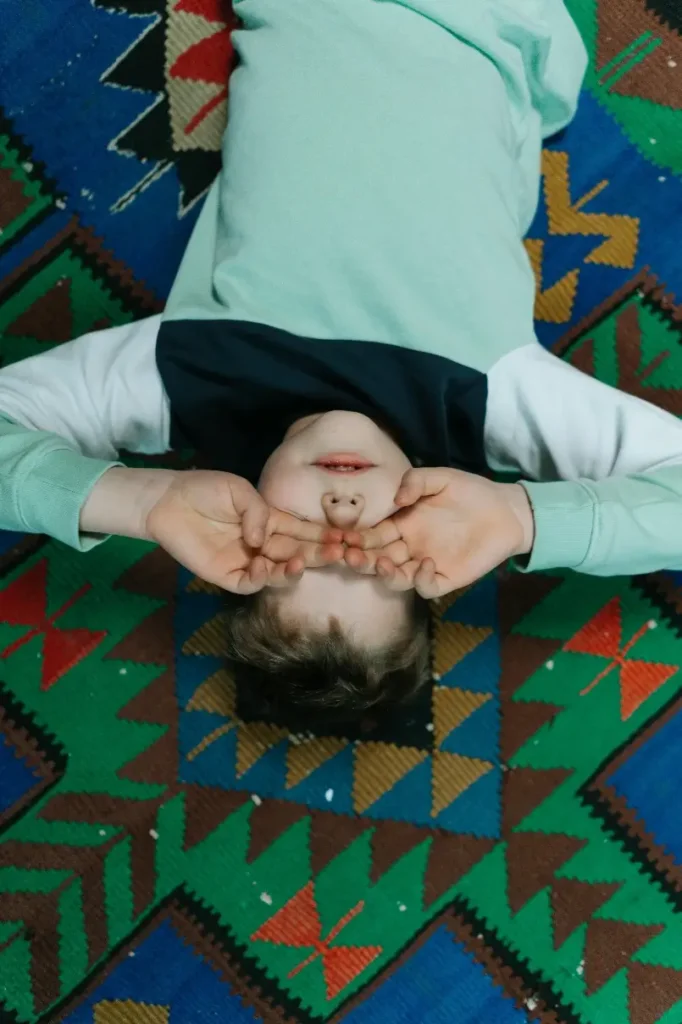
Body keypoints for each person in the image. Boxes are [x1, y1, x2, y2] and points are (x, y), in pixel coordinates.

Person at [2, 0, 682, 722]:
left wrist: (138, 502)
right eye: (381, 554)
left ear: (234, 530)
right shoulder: (491, 402)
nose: (344, 514)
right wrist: (521, 518)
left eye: (300, 548)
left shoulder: (185, 375)